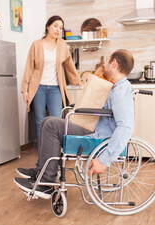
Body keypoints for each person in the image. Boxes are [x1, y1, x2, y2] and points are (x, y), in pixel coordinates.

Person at [14, 49, 135, 199]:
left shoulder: (122, 89)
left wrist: (104, 160)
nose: (104, 64)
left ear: (114, 63)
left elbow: (126, 127)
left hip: (99, 138)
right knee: (47, 121)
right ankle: (41, 172)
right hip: (95, 130)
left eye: (107, 60)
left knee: (51, 124)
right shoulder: (116, 86)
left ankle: (46, 182)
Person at [21, 15, 82, 149]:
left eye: (60, 28)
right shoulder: (36, 45)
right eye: (55, 26)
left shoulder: (62, 45)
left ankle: (54, 152)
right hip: (38, 88)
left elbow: (69, 64)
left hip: (55, 88)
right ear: (48, 26)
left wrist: (78, 80)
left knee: (56, 121)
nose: (58, 30)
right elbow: (29, 68)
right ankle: (43, 152)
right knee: (40, 122)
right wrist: (25, 89)